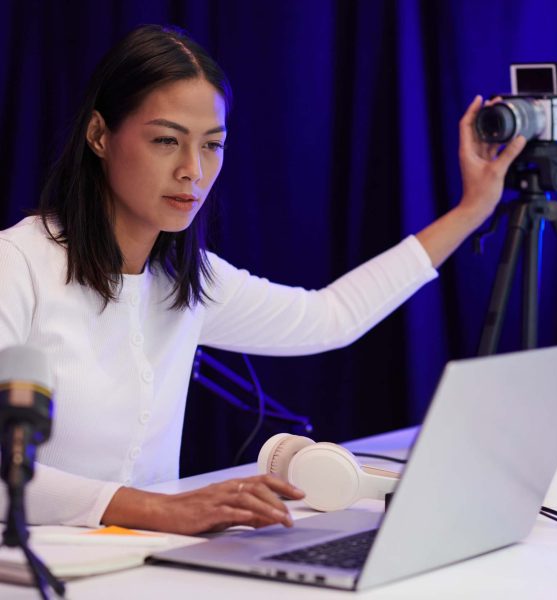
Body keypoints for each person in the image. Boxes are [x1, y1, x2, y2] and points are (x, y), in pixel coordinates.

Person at [0, 24, 525, 535]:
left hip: (150, 569)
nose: (193, 170)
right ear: (99, 134)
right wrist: (156, 509)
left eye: (212, 145)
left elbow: (330, 317)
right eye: (166, 140)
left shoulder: (185, 280)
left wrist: (473, 209)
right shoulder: (18, 264)